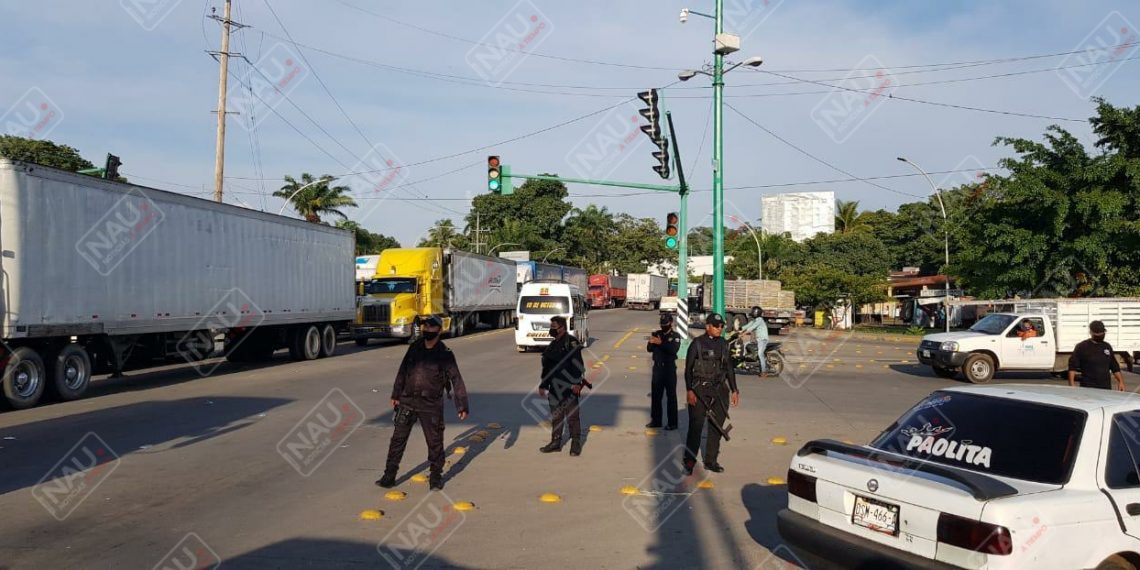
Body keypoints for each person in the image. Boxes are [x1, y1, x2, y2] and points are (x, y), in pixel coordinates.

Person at [377, 316, 469, 491]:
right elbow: (403, 371)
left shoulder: (445, 353)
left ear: (439, 330)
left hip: (430, 404)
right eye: (425, 326)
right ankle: (389, 476)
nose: (427, 329)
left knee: (434, 443)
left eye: (431, 327)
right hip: (408, 401)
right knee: (397, 440)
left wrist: (462, 404)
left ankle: (435, 478)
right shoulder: (414, 347)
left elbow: (456, 379)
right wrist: (396, 393)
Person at [683, 313, 740, 474]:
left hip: (719, 390)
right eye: (716, 326)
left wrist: (735, 390)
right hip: (699, 390)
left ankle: (711, 460)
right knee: (696, 427)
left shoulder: (724, 344)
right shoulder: (697, 343)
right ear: (708, 326)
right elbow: (687, 370)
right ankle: (689, 461)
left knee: (716, 428)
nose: (719, 328)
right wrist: (689, 390)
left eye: (721, 326)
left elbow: (729, 368)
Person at [539, 315, 586, 456]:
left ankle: (575, 442)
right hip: (554, 387)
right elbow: (546, 368)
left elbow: (579, 365)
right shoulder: (552, 345)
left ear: (562, 328)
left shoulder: (571, 343)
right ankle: (555, 442)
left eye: (554, 327)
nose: (551, 330)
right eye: (551, 327)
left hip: (569, 387)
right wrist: (543, 385)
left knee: (572, 416)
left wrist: (577, 383)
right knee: (556, 416)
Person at [646, 313, 682, 430]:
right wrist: (651, 341)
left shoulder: (675, 336)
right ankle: (656, 421)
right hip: (657, 368)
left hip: (669, 369)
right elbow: (649, 349)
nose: (663, 326)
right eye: (662, 324)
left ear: (671, 323)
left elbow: (673, 350)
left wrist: (660, 343)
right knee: (656, 396)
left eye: (665, 324)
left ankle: (673, 423)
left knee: (671, 396)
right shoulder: (657, 334)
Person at [1068, 320, 1125, 391]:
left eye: (1102, 333)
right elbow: (1072, 367)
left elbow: (1114, 366)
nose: (1100, 335)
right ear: (1091, 332)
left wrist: (1121, 382)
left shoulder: (1107, 346)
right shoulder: (1082, 346)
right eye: (1098, 333)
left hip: (1105, 387)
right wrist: (1071, 384)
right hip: (1088, 387)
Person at [739, 306, 770, 375]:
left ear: (756, 313)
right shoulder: (755, 320)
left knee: (760, 354)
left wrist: (743, 333)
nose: (751, 313)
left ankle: (763, 372)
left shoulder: (759, 320)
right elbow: (748, 325)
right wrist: (740, 328)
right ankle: (745, 362)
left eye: (753, 312)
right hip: (758, 339)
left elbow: (752, 327)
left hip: (763, 340)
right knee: (745, 344)